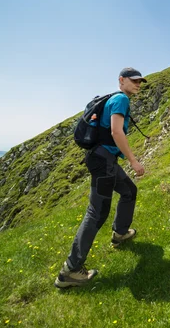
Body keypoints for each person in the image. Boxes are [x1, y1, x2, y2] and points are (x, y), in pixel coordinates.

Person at [55, 67, 147, 288]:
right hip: (103, 162)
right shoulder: (121, 100)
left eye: (140, 82)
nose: (138, 85)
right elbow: (117, 132)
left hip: (104, 160)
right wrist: (133, 160)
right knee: (97, 212)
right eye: (134, 81)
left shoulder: (114, 99)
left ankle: (120, 233)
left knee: (129, 191)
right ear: (121, 80)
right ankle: (70, 270)